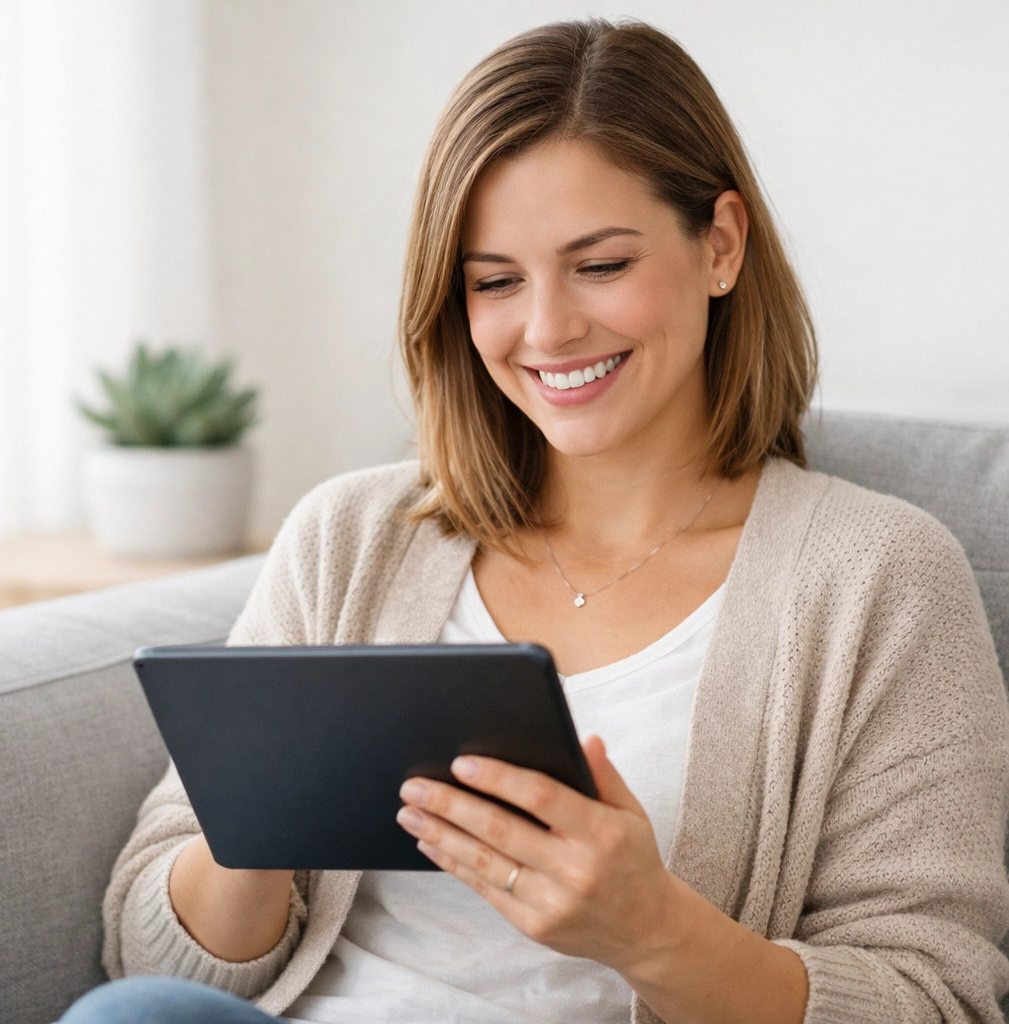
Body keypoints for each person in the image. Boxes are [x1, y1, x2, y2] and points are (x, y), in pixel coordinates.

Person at [64, 18, 1009, 1024]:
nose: (548, 329)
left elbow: (938, 996)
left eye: (600, 265)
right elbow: (151, 957)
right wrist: (259, 824)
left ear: (721, 245)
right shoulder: (352, 537)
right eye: (496, 282)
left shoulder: (878, 577)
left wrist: (654, 931)